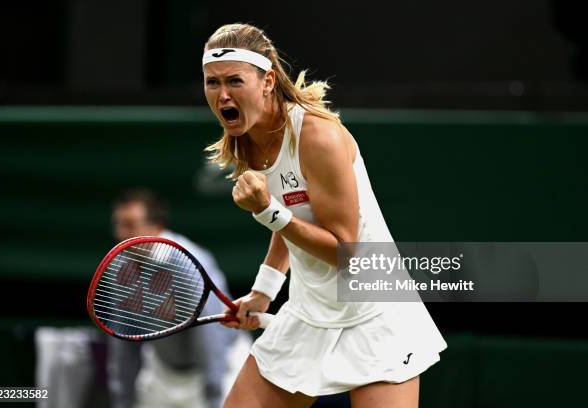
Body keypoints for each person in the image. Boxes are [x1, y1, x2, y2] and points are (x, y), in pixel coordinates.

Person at [201, 23, 447, 408]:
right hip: (309, 311)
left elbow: (346, 253)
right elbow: (297, 214)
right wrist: (265, 291)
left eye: (234, 80)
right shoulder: (247, 139)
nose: (222, 94)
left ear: (267, 81)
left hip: (374, 311)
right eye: (212, 83)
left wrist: (267, 211)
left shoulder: (317, 136)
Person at [108, 188, 250, 408]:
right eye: (118, 224)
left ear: (155, 228)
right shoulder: (119, 265)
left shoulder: (188, 264)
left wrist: (213, 393)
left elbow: (210, 334)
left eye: (129, 225)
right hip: (163, 371)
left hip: (221, 366)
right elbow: (123, 335)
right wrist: (124, 398)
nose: (120, 234)